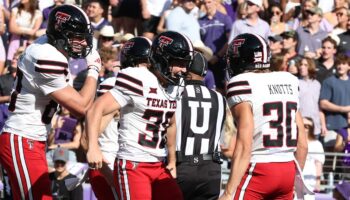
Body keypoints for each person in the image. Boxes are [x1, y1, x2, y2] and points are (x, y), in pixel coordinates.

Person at [0, 5, 101, 200]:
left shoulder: (47, 45)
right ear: (61, 35)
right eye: (76, 36)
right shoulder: (46, 56)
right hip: (23, 138)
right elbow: (81, 107)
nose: (82, 42)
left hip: (31, 139)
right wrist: (94, 70)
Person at [85, 31, 194, 200]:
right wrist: (93, 147)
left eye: (186, 64)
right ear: (163, 59)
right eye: (179, 63)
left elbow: (171, 122)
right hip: (133, 163)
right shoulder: (138, 78)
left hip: (158, 163)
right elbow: (95, 110)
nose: (184, 70)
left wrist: (172, 161)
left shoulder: (175, 86)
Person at [219, 33, 308, 200]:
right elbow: (302, 141)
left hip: (260, 168)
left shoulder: (241, 83)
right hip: (288, 168)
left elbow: (245, 143)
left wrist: (228, 192)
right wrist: (295, 180)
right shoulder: (288, 80)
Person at [168, 51, 226, 200]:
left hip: (183, 165)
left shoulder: (175, 93)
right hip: (211, 168)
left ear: (186, 70)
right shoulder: (219, 98)